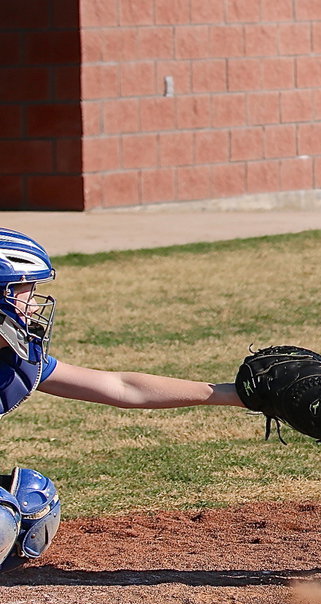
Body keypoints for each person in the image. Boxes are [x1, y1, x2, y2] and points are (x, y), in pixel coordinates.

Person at [0, 228, 245, 571]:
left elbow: (122, 387)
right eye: (24, 291)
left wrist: (230, 394)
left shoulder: (15, 361)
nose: (34, 303)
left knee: (32, 503)